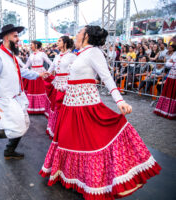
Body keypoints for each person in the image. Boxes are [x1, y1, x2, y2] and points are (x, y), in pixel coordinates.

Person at [39, 25, 161, 199]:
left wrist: (119, 100)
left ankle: (91, 181)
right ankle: (74, 178)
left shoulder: (94, 52)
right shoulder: (80, 54)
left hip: (86, 105)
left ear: (86, 35)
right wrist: (54, 82)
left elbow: (106, 77)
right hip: (70, 105)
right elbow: (74, 79)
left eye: (79, 32)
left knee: (90, 142)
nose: (76, 35)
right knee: (69, 141)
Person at [0, 24, 49, 159]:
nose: (18, 39)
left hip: (18, 97)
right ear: (6, 38)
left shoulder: (11, 55)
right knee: (17, 129)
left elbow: (20, 71)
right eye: (15, 36)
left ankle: (9, 151)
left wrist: (37, 75)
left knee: (25, 124)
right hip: (5, 99)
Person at [44, 36, 76, 138]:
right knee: (56, 106)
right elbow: (51, 68)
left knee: (64, 108)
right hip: (57, 83)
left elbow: (75, 71)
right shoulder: (57, 56)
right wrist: (44, 75)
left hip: (67, 84)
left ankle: (65, 132)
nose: (57, 43)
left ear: (65, 43)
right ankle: (55, 130)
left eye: (59, 41)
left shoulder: (72, 56)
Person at [23, 40, 54, 116]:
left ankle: (43, 107)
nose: (31, 46)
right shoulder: (31, 54)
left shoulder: (42, 54)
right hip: (33, 73)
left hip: (41, 73)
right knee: (33, 90)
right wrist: (18, 70)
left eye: (32, 45)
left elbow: (51, 63)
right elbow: (26, 65)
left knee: (40, 89)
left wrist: (49, 71)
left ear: (36, 45)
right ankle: (33, 108)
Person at [154, 36, 176, 119]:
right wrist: (172, 63)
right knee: (168, 91)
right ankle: (165, 110)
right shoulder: (174, 54)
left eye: (172, 44)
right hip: (172, 75)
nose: (170, 45)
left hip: (173, 75)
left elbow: (170, 63)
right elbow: (167, 63)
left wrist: (172, 63)